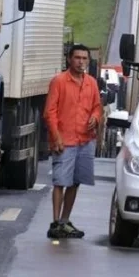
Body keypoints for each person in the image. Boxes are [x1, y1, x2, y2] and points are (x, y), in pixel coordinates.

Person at [43, 44, 104, 239]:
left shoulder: (91, 83)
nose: (81, 62)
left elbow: (97, 107)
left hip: (85, 140)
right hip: (65, 140)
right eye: (77, 58)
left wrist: (95, 117)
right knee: (60, 181)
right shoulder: (59, 81)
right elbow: (49, 112)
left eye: (84, 59)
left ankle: (65, 221)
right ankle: (55, 223)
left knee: (75, 182)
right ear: (69, 59)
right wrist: (56, 137)